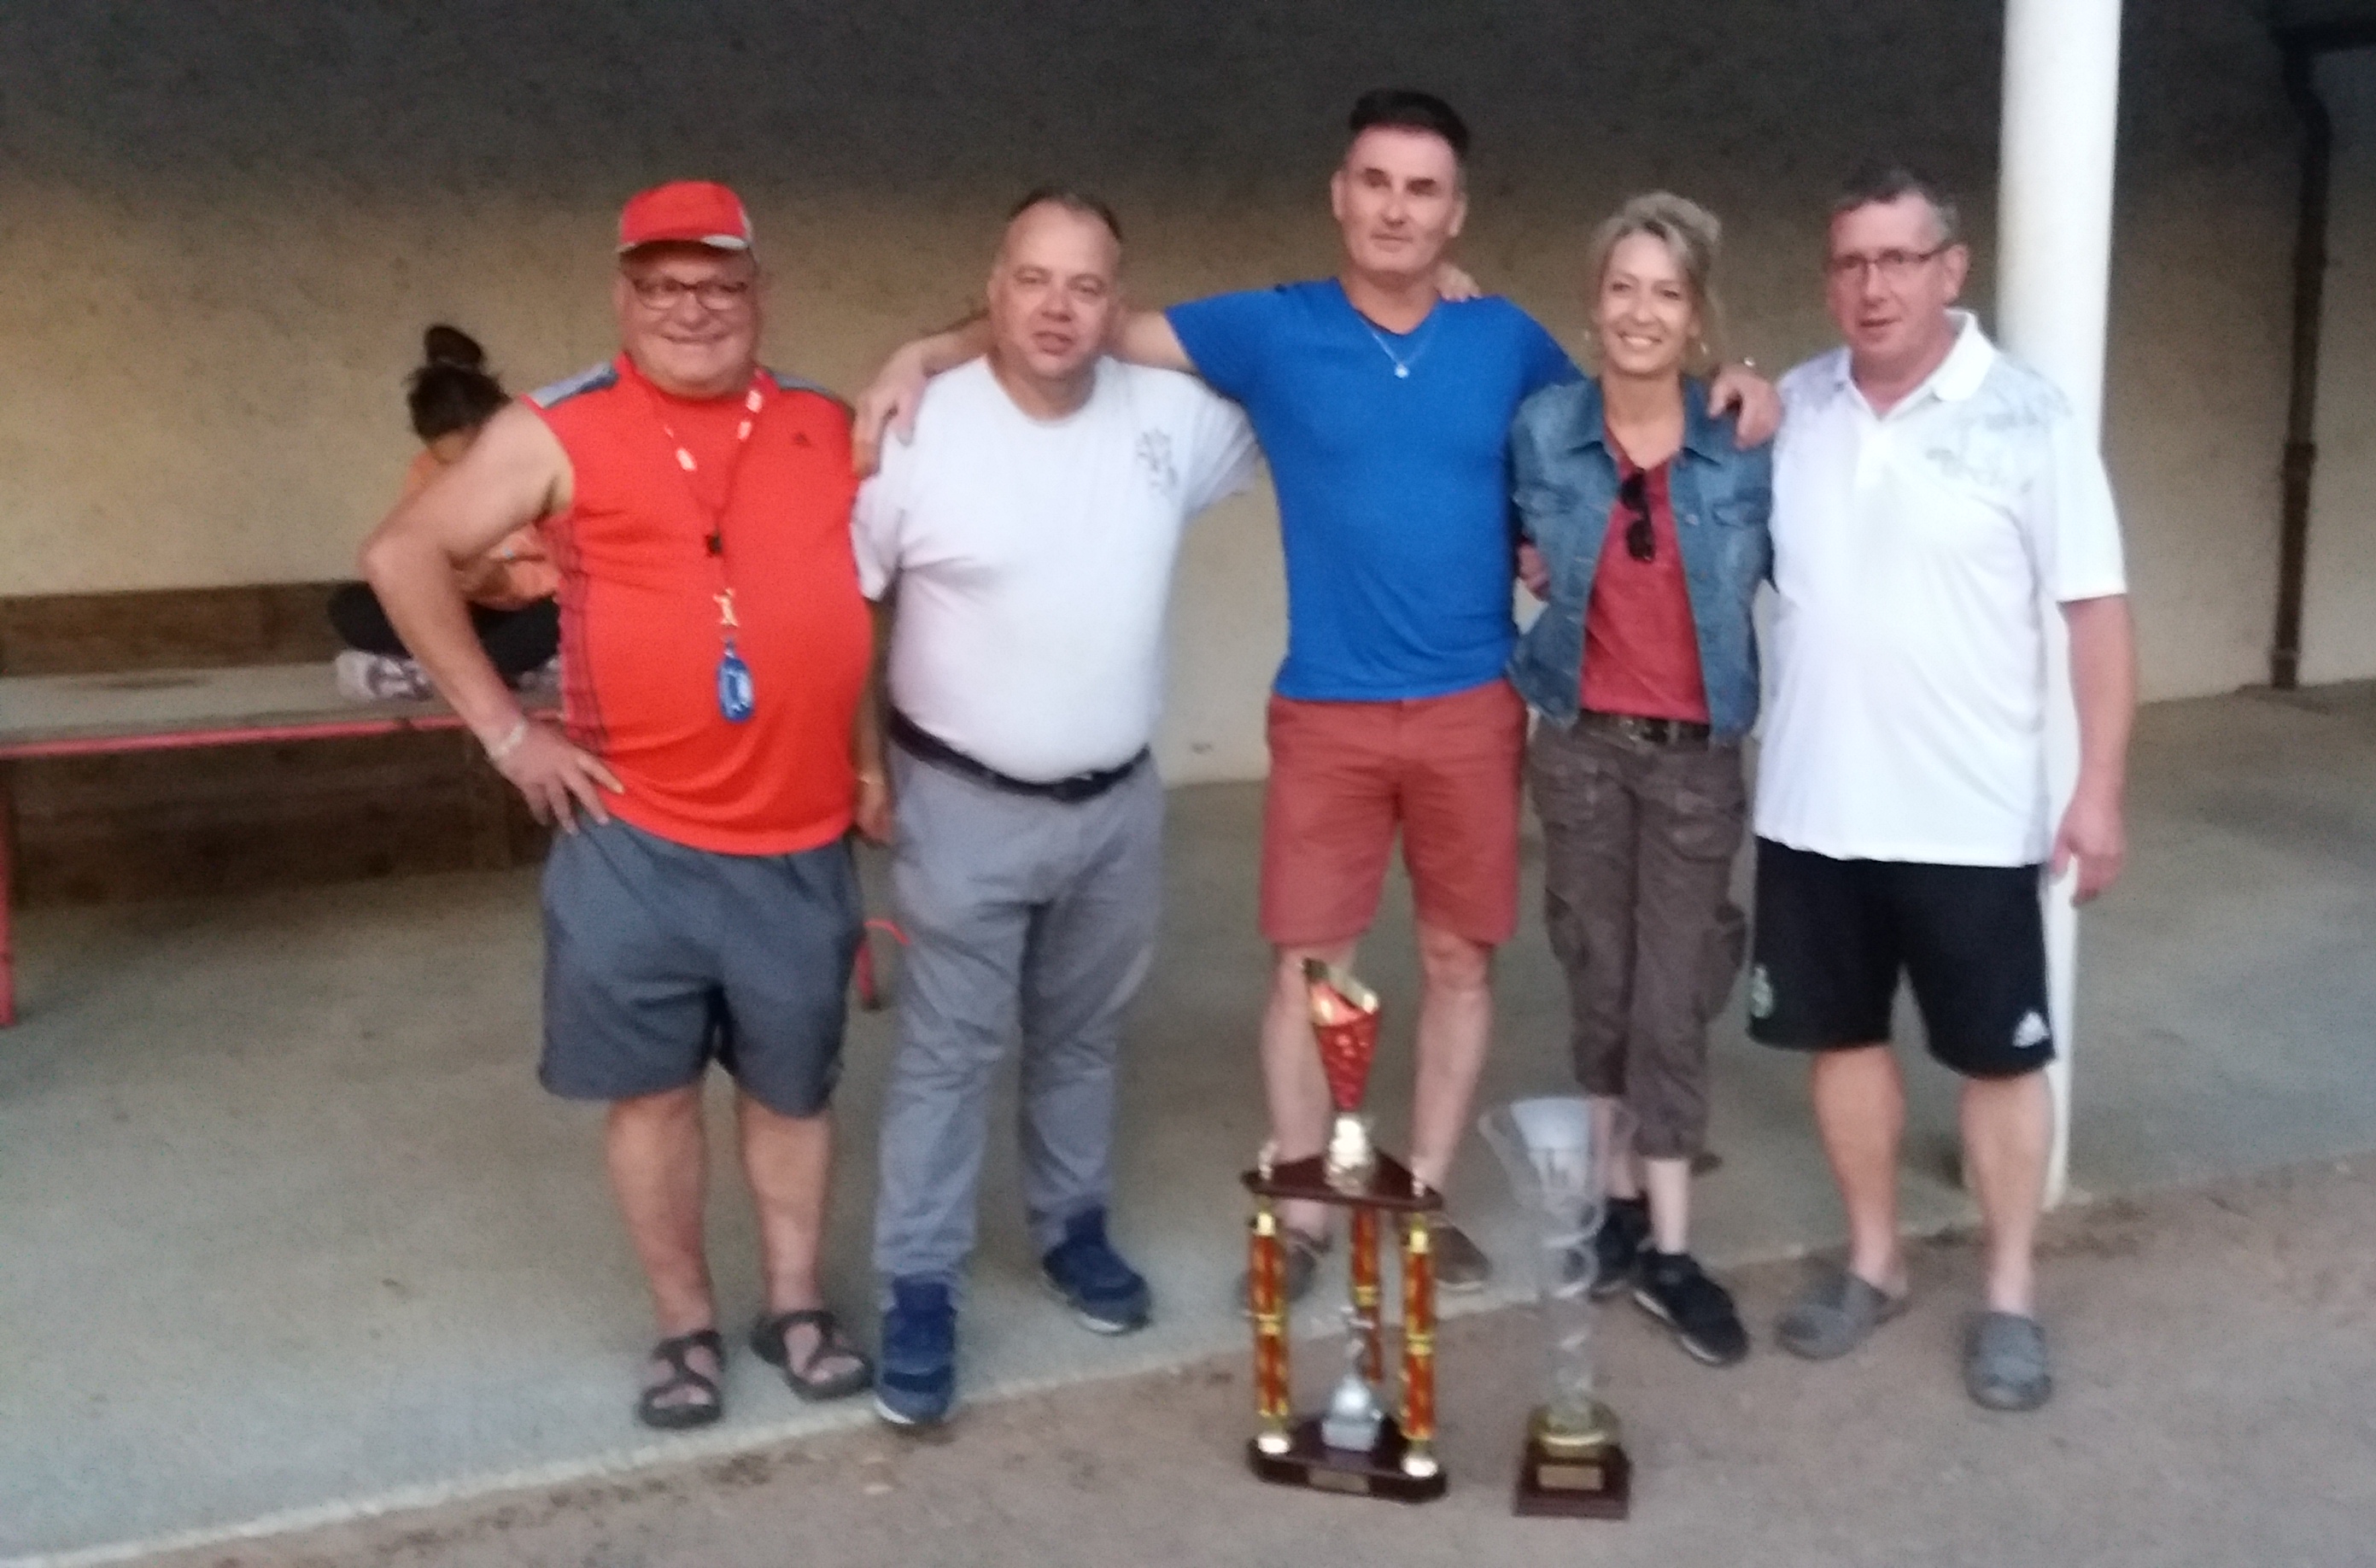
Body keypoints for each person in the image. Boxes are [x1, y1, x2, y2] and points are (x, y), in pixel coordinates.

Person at [858, 90, 1776, 1302]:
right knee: (1310, 968)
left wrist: (1745, 382)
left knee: (1459, 959)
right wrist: (919, 351)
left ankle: (1422, 1194)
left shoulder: (1505, 344)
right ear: (1340, 196)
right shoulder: (1270, 331)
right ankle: (1300, 1205)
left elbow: (1625, 408)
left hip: (1473, 705)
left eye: (1424, 189)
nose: (1398, 207)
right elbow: (1073, 323)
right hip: (1328, 709)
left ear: (1457, 213)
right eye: (1377, 183)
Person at [359, 181, 880, 1430]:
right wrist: (502, 728)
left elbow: (866, 600)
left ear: (761, 292)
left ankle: (795, 1306)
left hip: (799, 838)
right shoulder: (560, 425)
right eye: (664, 286)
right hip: (632, 840)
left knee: (792, 1093)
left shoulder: (827, 422)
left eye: (719, 284)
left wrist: (872, 764)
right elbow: (401, 557)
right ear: (623, 296)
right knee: (650, 1098)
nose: (692, 310)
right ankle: (685, 1327)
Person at [853, 190, 1258, 1428]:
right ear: (993, 287)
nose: (1058, 308)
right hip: (960, 805)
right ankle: (917, 1287)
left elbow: (1324, 385)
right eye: (1034, 279)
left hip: (1116, 805)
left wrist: (1430, 305)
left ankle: (1071, 1230)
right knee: (947, 1053)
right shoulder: (918, 430)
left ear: (1117, 306)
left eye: (1086, 287)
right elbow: (847, 615)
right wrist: (864, 767)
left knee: (1083, 1037)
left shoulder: (1175, 420)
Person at [1748, 164, 2137, 1412]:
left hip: (1970, 814)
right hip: (1813, 808)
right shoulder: (1793, 409)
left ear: (1950, 269)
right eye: (1852, 263)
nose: (1873, 287)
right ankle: (1876, 1263)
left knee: (1997, 1062)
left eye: (1899, 260)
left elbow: (2095, 615)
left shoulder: (2027, 417)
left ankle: (2011, 1293)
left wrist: (2101, 791)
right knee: (1843, 1044)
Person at [1507, 193, 1768, 1366]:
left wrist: (1764, 386)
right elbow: (1504, 534)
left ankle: (1670, 1247)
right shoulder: (1544, 429)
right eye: (1623, 287)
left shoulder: (1747, 443)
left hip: (1695, 763)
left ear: (1699, 316)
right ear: (1593, 301)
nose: (1641, 312)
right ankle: (1614, 1208)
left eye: (1668, 292)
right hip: (1578, 746)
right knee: (1600, 980)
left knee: (1673, 1001)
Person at [331, 325, 560, 699]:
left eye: (475, 456)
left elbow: (572, 559)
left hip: (530, 609)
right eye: (446, 462)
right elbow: (410, 545)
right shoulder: (424, 471)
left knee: (568, 618)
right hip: (466, 615)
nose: (462, 471)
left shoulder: (538, 460)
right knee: (350, 608)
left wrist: (506, 579)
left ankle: (434, 673)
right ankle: (485, 670)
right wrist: (440, 576)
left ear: (500, 425)